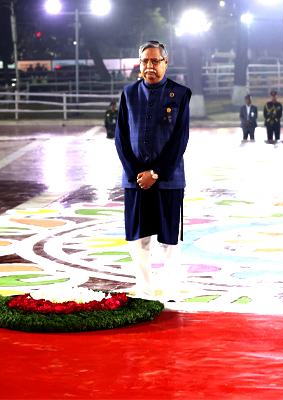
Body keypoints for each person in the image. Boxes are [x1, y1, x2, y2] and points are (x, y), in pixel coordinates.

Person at [115, 40, 191, 300]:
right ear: (140, 63)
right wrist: (138, 174)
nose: (149, 66)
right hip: (135, 182)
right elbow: (121, 138)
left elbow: (180, 140)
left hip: (169, 181)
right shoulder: (128, 93)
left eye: (155, 61)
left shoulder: (180, 94)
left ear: (165, 63)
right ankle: (145, 293)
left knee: (169, 241)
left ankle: (170, 293)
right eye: (145, 61)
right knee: (138, 241)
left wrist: (156, 173)